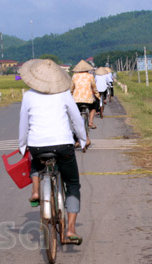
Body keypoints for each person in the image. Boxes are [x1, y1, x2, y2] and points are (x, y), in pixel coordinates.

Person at [18, 59, 87, 244]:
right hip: (64, 145)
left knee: (34, 160)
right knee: (72, 183)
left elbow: (23, 124)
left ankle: (35, 190)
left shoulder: (28, 96)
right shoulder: (64, 94)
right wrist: (83, 139)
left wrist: (22, 145)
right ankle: (71, 229)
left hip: (37, 145)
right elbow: (77, 120)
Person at [71, 60, 100, 131]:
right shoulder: (90, 76)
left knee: (76, 112)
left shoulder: (74, 76)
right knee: (94, 106)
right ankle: (90, 122)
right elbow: (94, 88)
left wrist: (71, 94)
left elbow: (71, 88)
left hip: (76, 100)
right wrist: (97, 95)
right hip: (88, 99)